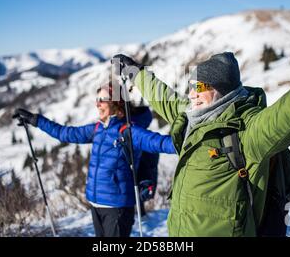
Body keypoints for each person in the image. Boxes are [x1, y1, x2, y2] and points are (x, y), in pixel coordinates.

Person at [112, 52, 290, 236]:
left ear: (222, 91)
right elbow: (163, 97)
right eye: (192, 86)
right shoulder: (193, 116)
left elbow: (280, 121)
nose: (193, 93)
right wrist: (135, 72)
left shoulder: (246, 131)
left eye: (200, 87)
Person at [14, 82, 176, 237]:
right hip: (96, 203)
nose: (97, 104)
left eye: (102, 100)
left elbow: (160, 143)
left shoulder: (129, 131)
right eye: (97, 99)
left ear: (116, 103)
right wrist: (36, 120)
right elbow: (65, 133)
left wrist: (188, 142)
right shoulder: (98, 129)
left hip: (117, 207)